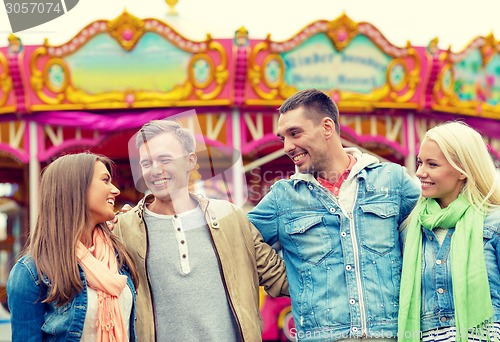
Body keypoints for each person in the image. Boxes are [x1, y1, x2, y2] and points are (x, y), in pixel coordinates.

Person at [247, 88, 420, 341]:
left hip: (393, 334)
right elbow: (238, 240)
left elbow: (433, 233)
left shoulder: (392, 181)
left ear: (327, 127)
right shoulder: (283, 197)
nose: (287, 146)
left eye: (294, 133)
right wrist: (288, 279)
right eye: (282, 137)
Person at [113, 119, 289, 341]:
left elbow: (281, 279)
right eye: (146, 163)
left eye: (165, 159)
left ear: (190, 161)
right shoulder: (122, 229)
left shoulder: (230, 218)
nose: (155, 170)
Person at [7, 153, 140, 342]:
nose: (116, 190)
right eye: (105, 180)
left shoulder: (118, 256)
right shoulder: (30, 273)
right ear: (76, 188)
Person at [398, 121, 500, 341]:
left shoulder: (494, 223)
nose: (419, 172)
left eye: (432, 165)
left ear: (462, 170)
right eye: (420, 162)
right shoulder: (411, 229)